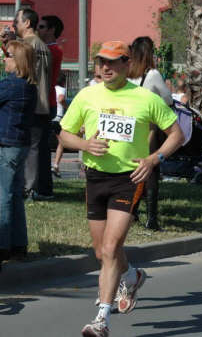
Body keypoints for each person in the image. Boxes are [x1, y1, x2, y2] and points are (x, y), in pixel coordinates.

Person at [58, 41, 184, 337]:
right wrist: (85, 144)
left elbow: (176, 134)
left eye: (113, 63)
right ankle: (132, 275)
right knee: (102, 252)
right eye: (101, 62)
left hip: (129, 178)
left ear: (127, 65)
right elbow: (64, 133)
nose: (105, 67)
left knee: (112, 247)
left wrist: (154, 159)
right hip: (95, 177)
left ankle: (101, 319)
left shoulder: (144, 97)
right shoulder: (87, 95)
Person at [7, 8, 54, 201]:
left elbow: (20, 73)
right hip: (44, 103)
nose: (14, 25)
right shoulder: (44, 46)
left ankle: (28, 189)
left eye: (16, 22)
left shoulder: (25, 46)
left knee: (28, 148)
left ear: (26, 23)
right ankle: (41, 188)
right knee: (40, 150)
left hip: (30, 103)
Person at [128, 36, 173, 231]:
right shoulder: (152, 74)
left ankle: (132, 211)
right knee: (151, 171)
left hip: (131, 127)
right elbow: (168, 99)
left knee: (133, 169)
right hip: (150, 128)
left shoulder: (128, 74)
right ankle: (151, 218)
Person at [0, 40, 37, 270]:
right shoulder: (29, 85)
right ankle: (18, 245)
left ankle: (3, 245)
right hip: (20, 145)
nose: (5, 59)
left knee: (3, 195)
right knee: (13, 194)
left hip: (7, 144)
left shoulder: (11, 85)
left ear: (19, 61)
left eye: (8, 55)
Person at [52, 72, 68, 177]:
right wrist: (66, 106)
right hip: (58, 117)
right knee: (61, 143)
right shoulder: (62, 89)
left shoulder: (52, 88)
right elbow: (61, 99)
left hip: (50, 116)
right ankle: (56, 165)